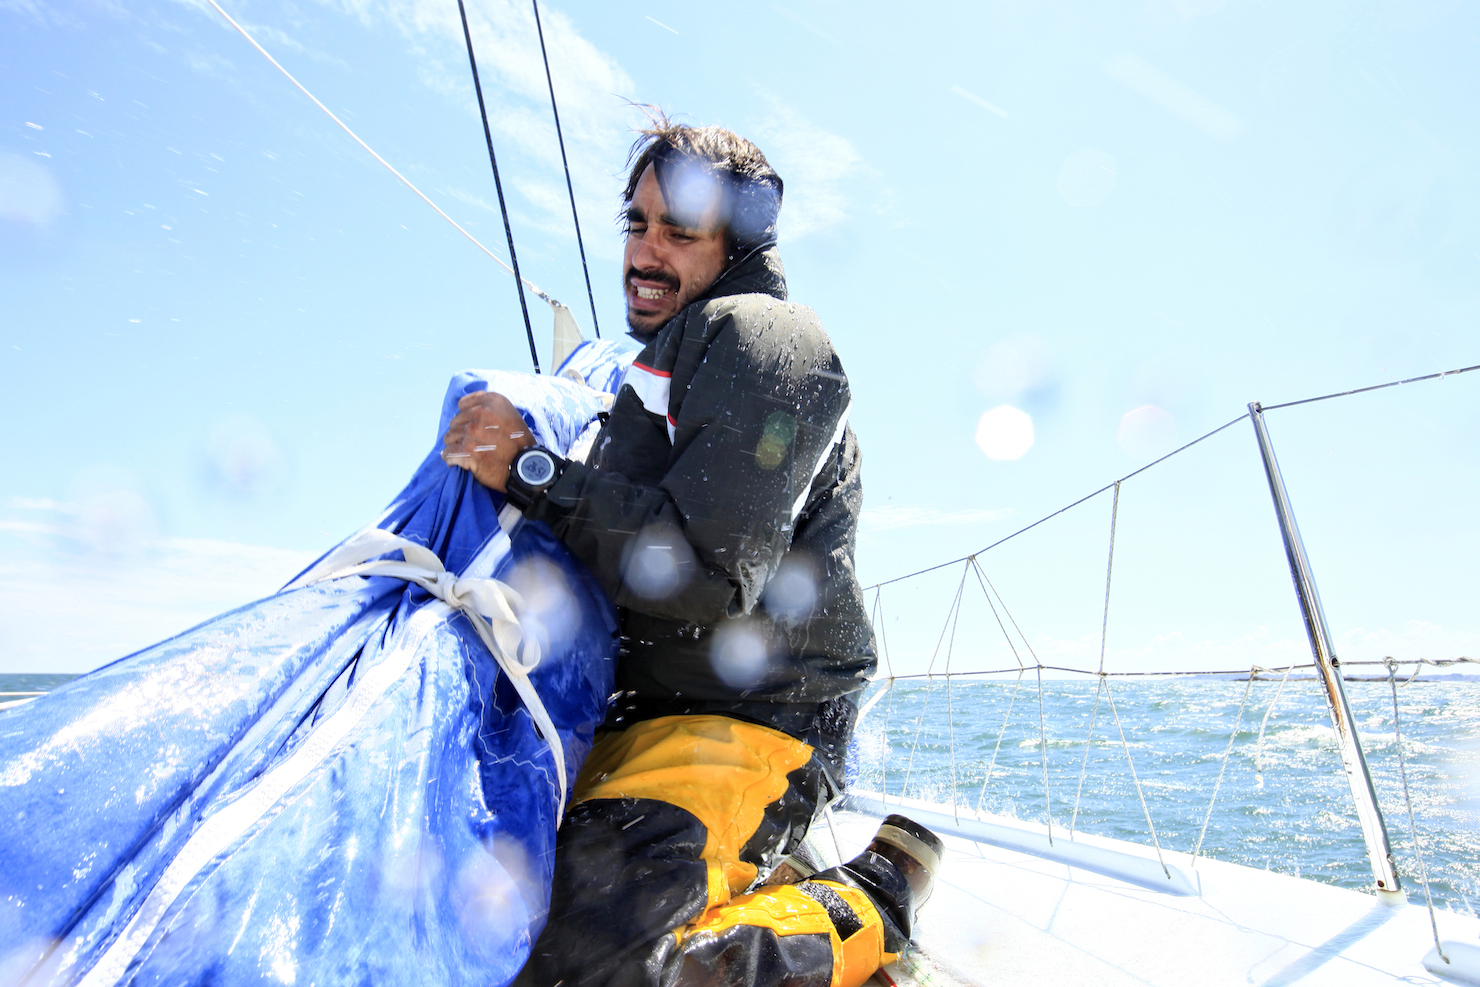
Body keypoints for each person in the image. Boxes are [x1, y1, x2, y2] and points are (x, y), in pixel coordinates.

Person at [442, 119, 943, 987]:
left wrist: (532, 472)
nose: (645, 251)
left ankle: (871, 898)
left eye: (679, 230)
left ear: (736, 243)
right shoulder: (676, 350)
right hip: (647, 712)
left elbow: (710, 568)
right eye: (636, 224)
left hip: (751, 721)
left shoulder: (764, 337)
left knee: (588, 973)